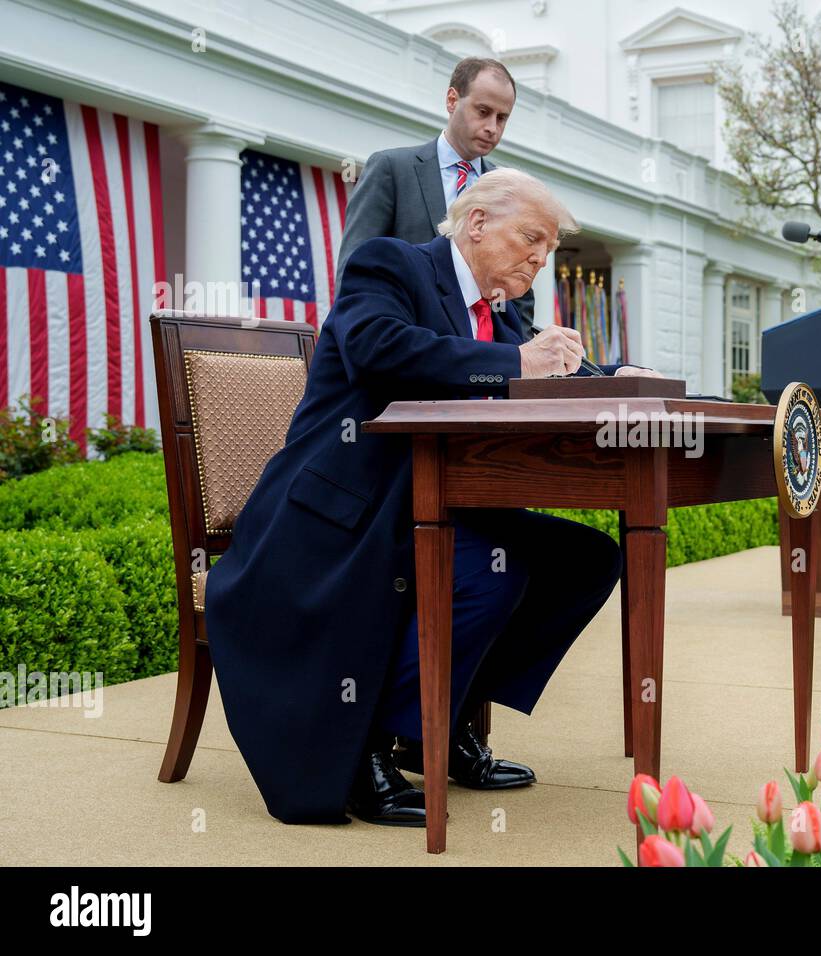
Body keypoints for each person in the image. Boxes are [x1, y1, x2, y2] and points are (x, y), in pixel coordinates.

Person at [203, 169, 662, 828]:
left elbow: (534, 370)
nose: (539, 258)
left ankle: (430, 725)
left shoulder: (499, 313)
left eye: (547, 248)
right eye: (530, 238)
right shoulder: (390, 264)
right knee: (490, 571)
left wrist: (616, 377)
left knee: (584, 560)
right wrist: (519, 364)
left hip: (436, 501)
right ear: (477, 223)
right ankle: (370, 748)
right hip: (346, 505)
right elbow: (376, 349)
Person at [336, 56, 536, 323]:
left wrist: (513, 352)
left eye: (502, 118)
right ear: (452, 100)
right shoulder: (391, 169)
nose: (492, 128)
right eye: (483, 111)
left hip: (486, 358)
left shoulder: (511, 192)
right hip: (406, 350)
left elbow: (519, 291)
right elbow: (355, 271)